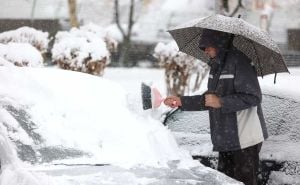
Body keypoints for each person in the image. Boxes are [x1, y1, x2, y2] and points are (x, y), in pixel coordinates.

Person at [164, 29, 268, 185]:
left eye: (207, 46)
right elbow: (210, 98)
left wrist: (221, 102)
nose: (205, 51)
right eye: (203, 47)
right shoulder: (217, 65)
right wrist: (182, 101)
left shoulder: (240, 62)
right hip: (225, 139)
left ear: (219, 44)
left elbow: (253, 97)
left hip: (244, 139)